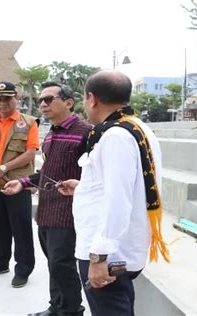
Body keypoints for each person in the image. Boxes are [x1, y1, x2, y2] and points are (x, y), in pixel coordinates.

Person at [59, 70, 170, 316]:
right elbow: (126, 185)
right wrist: (83, 188)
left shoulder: (114, 136)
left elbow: (118, 200)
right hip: (120, 247)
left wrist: (99, 256)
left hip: (107, 252)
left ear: (92, 98)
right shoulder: (137, 127)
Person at [2, 82, 90, 316]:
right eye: (41, 100)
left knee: (63, 264)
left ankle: (71, 311)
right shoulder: (51, 133)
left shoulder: (87, 133)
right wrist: (21, 183)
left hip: (69, 212)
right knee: (54, 263)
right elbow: (47, 173)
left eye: (49, 100)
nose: (42, 104)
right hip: (47, 210)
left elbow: (94, 176)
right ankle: (56, 307)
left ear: (69, 103)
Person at [0, 81, 40, 288]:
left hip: (17, 184)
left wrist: (2, 169)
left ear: (16, 99)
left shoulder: (28, 123)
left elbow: (30, 152)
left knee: (21, 227)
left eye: (7, 98)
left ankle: (23, 269)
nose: (2, 102)